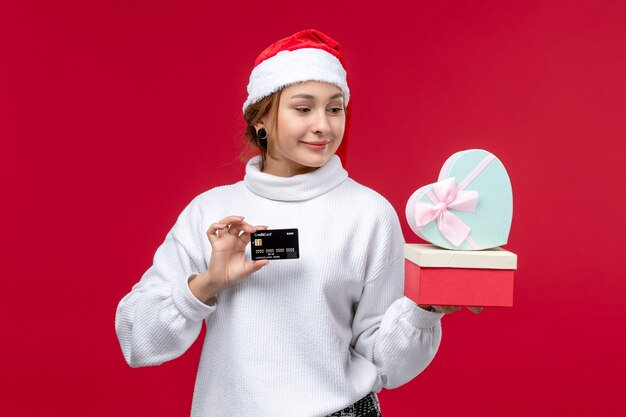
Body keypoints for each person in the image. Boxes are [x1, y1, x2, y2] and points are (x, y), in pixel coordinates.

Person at [115, 29, 480, 417]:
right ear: (262, 119)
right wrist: (207, 285)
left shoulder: (369, 213)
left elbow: (385, 363)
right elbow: (139, 341)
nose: (323, 125)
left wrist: (423, 309)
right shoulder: (211, 211)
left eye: (334, 108)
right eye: (303, 109)